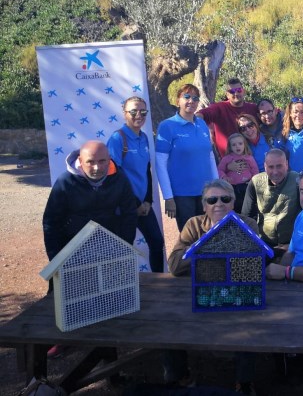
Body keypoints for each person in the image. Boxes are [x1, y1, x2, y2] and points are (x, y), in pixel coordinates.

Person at [42, 140, 137, 358]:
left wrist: (123, 246)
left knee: (108, 298)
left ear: (109, 159)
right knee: (60, 296)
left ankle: (108, 352)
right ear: (80, 161)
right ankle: (61, 339)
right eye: (90, 162)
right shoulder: (65, 181)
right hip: (72, 246)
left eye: (102, 161)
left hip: (107, 244)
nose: (96, 167)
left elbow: (129, 213)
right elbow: (50, 221)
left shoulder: (119, 177)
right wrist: (55, 258)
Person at [167, 179, 259, 394]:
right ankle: (178, 377)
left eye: (225, 199)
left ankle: (244, 382)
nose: (219, 204)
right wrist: (207, 243)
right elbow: (174, 265)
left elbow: (252, 266)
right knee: (170, 322)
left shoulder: (248, 224)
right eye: (212, 199)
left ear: (233, 202)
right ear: (204, 205)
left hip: (236, 290)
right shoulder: (193, 225)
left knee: (250, 323)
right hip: (200, 291)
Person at [107, 97, 165, 273]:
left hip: (143, 205)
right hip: (125, 207)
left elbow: (146, 171)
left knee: (156, 242)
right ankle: (124, 290)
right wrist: (134, 205)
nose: (138, 115)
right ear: (125, 114)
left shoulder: (145, 138)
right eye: (133, 111)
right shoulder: (118, 138)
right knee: (125, 249)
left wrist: (147, 201)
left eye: (143, 111)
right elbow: (113, 175)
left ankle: (158, 284)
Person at [156, 84, 218, 231]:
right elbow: (160, 163)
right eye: (187, 97)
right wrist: (168, 196)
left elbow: (209, 157)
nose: (191, 101)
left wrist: (217, 186)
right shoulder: (167, 126)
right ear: (178, 100)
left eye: (195, 98)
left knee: (209, 236)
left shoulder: (202, 124)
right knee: (189, 240)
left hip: (206, 193)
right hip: (182, 195)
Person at [241, 149, 301, 256]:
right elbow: (246, 217)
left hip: (292, 244)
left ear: (286, 165)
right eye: (271, 167)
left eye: (279, 166)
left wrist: (294, 244)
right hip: (264, 243)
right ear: (265, 166)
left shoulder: (297, 181)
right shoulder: (255, 182)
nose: (275, 171)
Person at [199, 78, 258, 159]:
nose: (236, 93)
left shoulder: (253, 108)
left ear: (243, 91)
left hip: (253, 158)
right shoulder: (219, 108)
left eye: (238, 90)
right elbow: (202, 114)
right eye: (232, 91)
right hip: (229, 162)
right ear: (227, 95)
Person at [217, 132, 259, 213]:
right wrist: (224, 177)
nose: (237, 146)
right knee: (235, 208)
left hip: (247, 186)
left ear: (244, 145)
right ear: (230, 147)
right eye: (234, 145)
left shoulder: (249, 158)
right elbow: (220, 170)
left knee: (249, 206)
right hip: (232, 188)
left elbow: (255, 171)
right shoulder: (227, 158)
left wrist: (253, 181)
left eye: (240, 143)